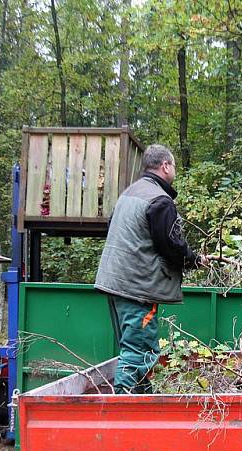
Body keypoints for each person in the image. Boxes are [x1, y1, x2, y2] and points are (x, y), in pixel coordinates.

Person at [95, 144, 205, 393]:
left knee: (134, 349)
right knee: (139, 352)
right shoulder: (159, 200)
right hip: (137, 289)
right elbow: (171, 246)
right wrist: (195, 260)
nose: (174, 171)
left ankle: (143, 403)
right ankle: (124, 412)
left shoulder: (130, 194)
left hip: (116, 284)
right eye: (173, 166)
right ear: (165, 166)